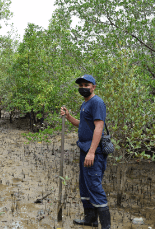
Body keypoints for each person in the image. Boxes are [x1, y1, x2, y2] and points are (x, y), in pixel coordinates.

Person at [60, 75, 111, 229]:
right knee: (85, 185)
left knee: (94, 185)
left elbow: (99, 128)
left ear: (94, 86)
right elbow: (82, 124)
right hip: (85, 149)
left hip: (93, 152)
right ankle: (90, 219)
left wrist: (91, 152)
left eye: (86, 84)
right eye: (81, 85)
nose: (83, 87)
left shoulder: (97, 102)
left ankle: (106, 226)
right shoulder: (86, 104)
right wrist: (68, 116)